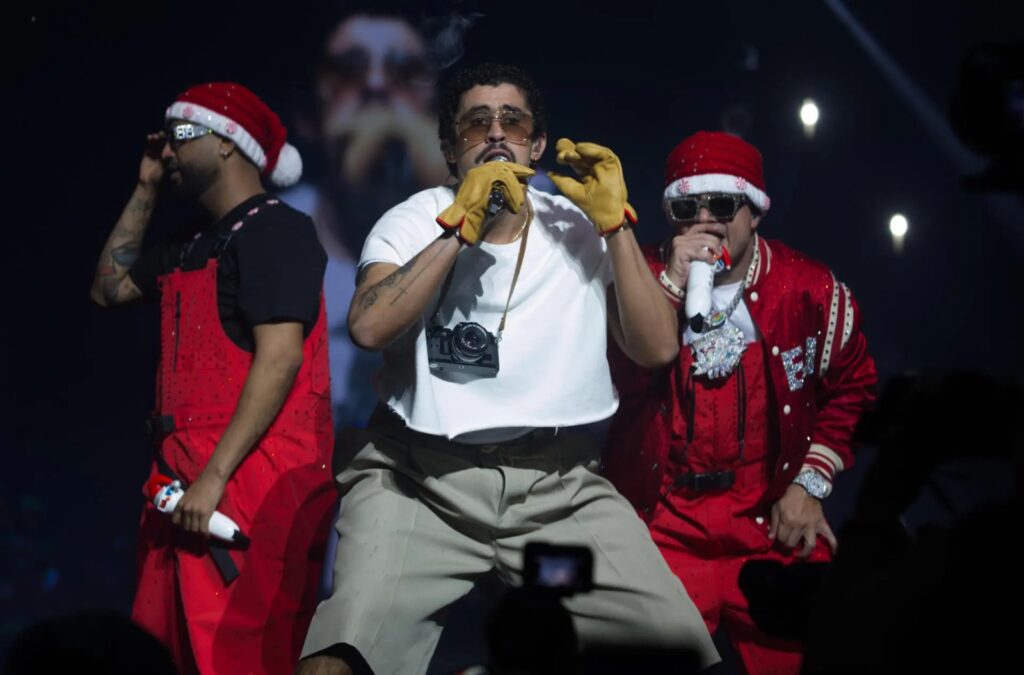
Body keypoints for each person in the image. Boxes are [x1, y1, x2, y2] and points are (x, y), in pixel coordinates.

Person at [297, 63, 719, 675]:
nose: (496, 134)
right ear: (450, 148)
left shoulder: (575, 226)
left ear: (536, 145)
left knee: (673, 648)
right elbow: (367, 327)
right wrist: (458, 231)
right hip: (420, 487)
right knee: (339, 659)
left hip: (555, 498)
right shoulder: (414, 220)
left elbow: (655, 349)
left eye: (513, 123)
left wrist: (615, 225)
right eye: (476, 123)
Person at [602, 131, 877, 674]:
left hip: (766, 518)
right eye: (687, 209)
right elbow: (615, 385)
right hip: (663, 520)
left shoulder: (809, 290)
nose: (705, 221)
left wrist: (808, 484)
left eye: (723, 205)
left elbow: (853, 387)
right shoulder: (639, 281)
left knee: (825, 644)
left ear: (755, 212)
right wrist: (671, 287)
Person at [90, 82, 336, 674]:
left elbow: (280, 359)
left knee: (237, 655)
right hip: (182, 481)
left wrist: (214, 478)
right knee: (163, 652)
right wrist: (146, 185)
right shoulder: (190, 244)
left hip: (248, 481)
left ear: (228, 142)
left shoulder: (277, 231)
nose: (167, 149)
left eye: (180, 134)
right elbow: (109, 289)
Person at [283, 9, 449, 430]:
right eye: (349, 71)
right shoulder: (272, 234)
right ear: (307, 115)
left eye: (406, 73)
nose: (376, 87)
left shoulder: (510, 207)